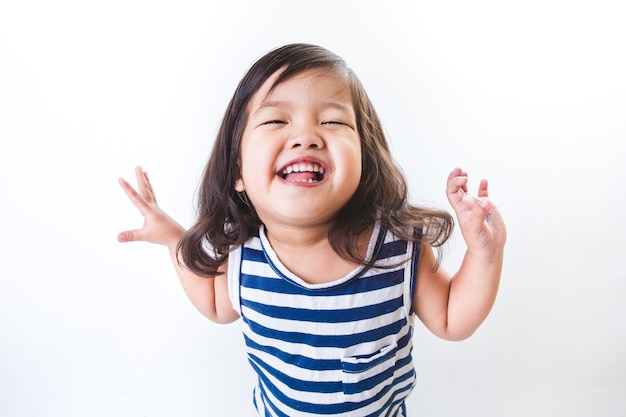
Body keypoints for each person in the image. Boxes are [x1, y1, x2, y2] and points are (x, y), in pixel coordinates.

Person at [118, 43, 506, 417]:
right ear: (238, 171)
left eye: (333, 121)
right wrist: (172, 237)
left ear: (365, 160)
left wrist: (484, 253)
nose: (306, 136)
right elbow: (215, 305)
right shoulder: (242, 259)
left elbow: (453, 319)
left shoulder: (398, 250)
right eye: (275, 120)